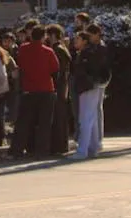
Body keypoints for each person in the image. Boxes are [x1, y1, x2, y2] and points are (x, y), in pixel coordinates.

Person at [10, 26, 59, 158]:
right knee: (44, 122)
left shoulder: (23, 49)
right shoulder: (48, 51)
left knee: (23, 121)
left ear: (31, 36)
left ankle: (17, 149)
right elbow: (55, 68)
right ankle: (42, 150)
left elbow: (20, 64)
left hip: (28, 89)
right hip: (46, 88)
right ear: (43, 37)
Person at [72, 24, 111, 160]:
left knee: (86, 118)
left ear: (84, 41)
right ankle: (93, 147)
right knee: (92, 118)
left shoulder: (87, 53)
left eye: (78, 39)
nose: (75, 41)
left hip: (87, 87)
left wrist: (90, 81)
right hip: (92, 86)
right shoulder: (92, 51)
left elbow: (85, 71)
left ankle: (82, 150)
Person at [46, 24, 72, 155]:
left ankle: (58, 146)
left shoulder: (56, 50)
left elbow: (57, 71)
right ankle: (62, 145)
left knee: (57, 117)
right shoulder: (63, 49)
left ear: (52, 35)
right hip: (63, 86)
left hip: (57, 86)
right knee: (61, 116)